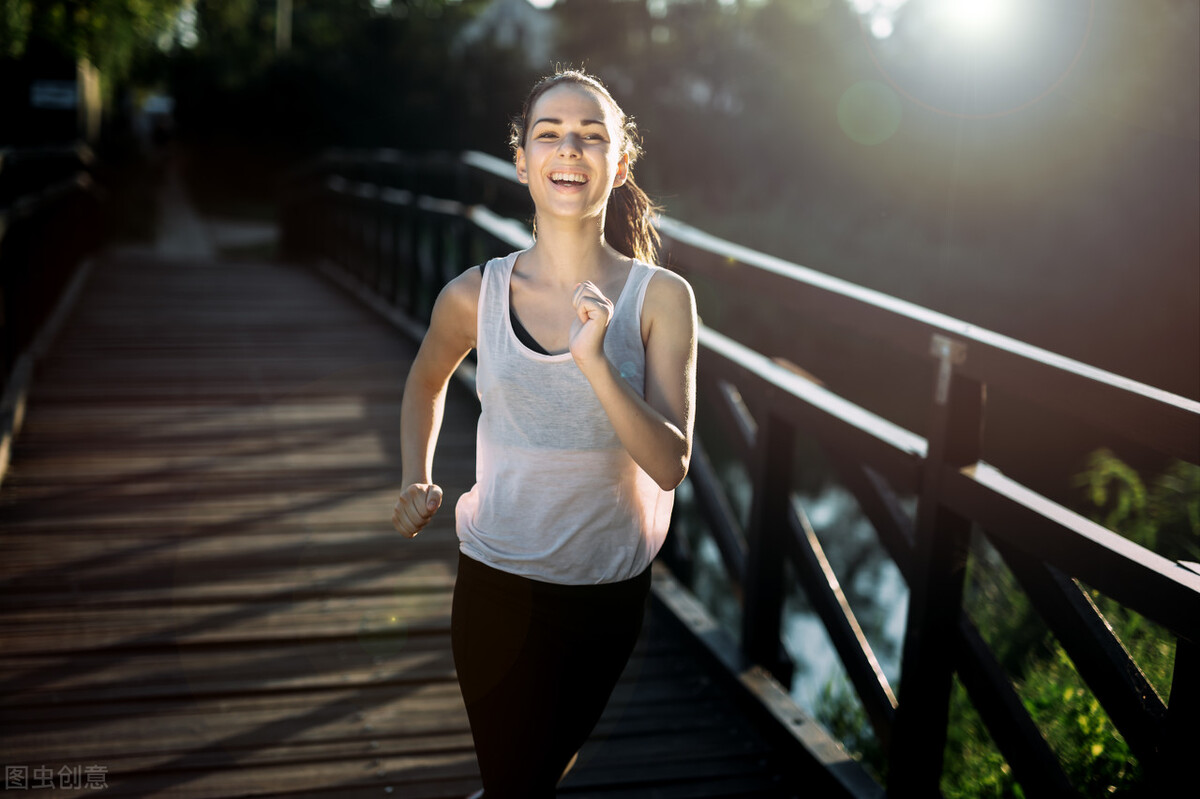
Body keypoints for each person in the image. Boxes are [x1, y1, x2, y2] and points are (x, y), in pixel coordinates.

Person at [391, 68, 698, 799]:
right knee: (518, 780)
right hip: (498, 582)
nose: (571, 148)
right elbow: (424, 381)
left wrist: (595, 362)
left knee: (527, 776)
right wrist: (414, 473)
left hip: (608, 592)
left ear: (619, 166)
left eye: (593, 136)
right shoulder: (475, 294)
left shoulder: (664, 298)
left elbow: (668, 462)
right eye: (550, 133)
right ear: (522, 159)